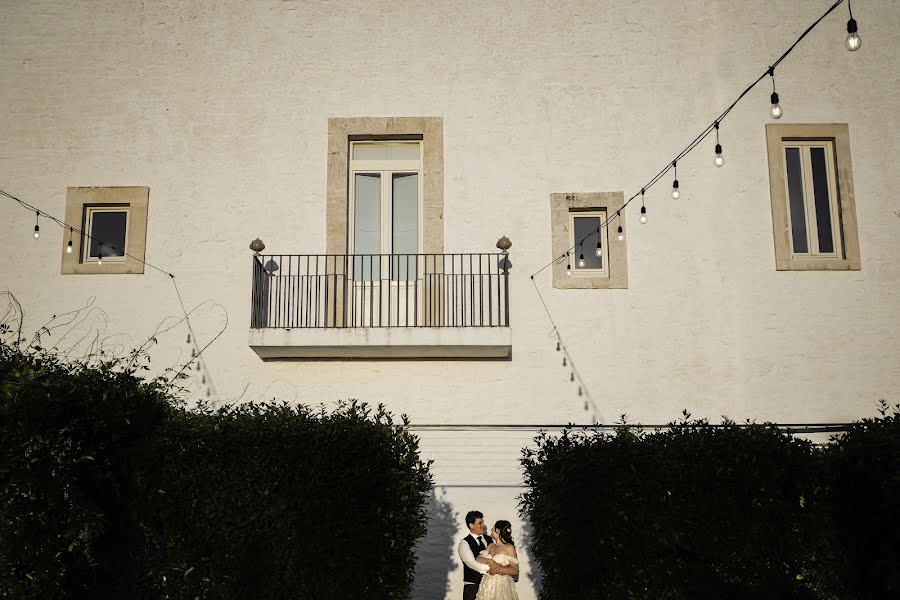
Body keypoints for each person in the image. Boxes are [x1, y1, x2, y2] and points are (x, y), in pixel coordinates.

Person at [457, 511, 517, 600]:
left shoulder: (490, 540)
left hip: (493, 586)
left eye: (483, 522)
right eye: (480, 523)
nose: (484, 525)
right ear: (471, 525)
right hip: (473, 587)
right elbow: (472, 563)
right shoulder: (464, 543)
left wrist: (501, 569)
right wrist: (491, 568)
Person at [474, 520, 519, 600]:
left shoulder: (509, 547)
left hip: (502, 587)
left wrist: (497, 569)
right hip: (487, 585)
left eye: (493, 528)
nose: (491, 529)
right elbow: (478, 559)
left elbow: (515, 570)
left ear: (498, 531)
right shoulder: (491, 546)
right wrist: (490, 561)